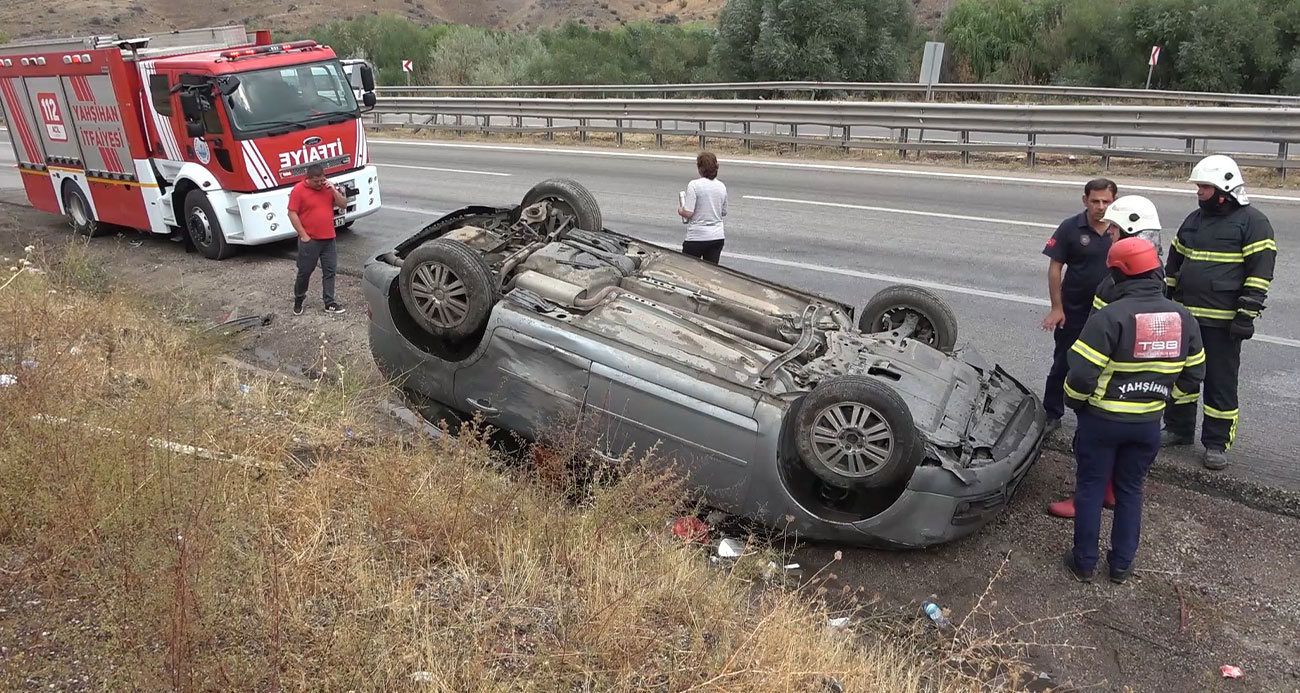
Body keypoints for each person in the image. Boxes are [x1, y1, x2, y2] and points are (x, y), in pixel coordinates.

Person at [1062, 237, 1205, 583]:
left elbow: (1080, 374)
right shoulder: (1182, 316)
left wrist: (1076, 403)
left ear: (1117, 275)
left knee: (1091, 489)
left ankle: (1083, 563)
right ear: (1155, 271)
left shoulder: (1110, 317)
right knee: (1130, 490)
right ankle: (1122, 565)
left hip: (1102, 421)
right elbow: (1195, 374)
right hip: (1146, 424)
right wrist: (1161, 400)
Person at [1046, 194, 1164, 519]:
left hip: (1109, 378)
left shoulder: (1118, 281)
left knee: (1092, 443)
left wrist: (1080, 384)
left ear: (1128, 229)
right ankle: (1111, 492)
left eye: (1113, 227)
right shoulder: (1154, 270)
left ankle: (1087, 499)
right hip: (1141, 381)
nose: (1108, 231)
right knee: (1126, 453)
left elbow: (1102, 336)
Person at [1161, 155, 1277, 470]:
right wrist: (1165, 298)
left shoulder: (1254, 222)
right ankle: (1178, 429)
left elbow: (1260, 272)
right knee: (1180, 376)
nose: (1199, 192)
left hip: (1223, 323)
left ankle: (1216, 443)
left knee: (1220, 382)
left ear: (1224, 189)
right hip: (1186, 318)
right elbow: (1175, 261)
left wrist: (1246, 315)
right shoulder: (1194, 220)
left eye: (1204, 187)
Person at [1040, 179, 1118, 435]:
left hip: (1109, 314)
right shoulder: (1070, 228)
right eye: (1095, 201)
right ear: (1085, 200)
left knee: (1105, 367)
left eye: (1106, 201)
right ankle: (1052, 413)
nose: (1101, 206)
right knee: (1063, 362)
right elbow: (1055, 267)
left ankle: (1096, 417)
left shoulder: (1121, 229)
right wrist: (1056, 308)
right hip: (1074, 311)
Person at [288, 163, 347, 315]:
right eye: (316, 181)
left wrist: (333, 189)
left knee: (330, 271)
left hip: (329, 239)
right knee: (305, 271)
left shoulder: (327, 189)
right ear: (308, 178)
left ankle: (329, 302)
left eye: (322, 180)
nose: (320, 183)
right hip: (310, 240)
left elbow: (343, 204)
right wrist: (303, 235)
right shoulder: (298, 190)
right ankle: (299, 299)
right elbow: (292, 213)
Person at [677, 151, 728, 264]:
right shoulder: (721, 186)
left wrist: (680, 210)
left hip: (697, 237)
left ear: (700, 168)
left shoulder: (694, 185)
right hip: (717, 237)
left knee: (688, 271)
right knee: (710, 272)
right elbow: (724, 212)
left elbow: (688, 212)